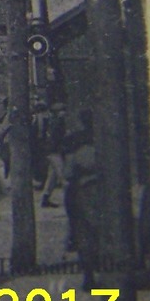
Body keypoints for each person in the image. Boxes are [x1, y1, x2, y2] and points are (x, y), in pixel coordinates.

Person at [62, 111, 101, 287]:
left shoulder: (76, 144)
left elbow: (68, 173)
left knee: (82, 231)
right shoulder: (108, 142)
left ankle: (89, 274)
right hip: (103, 191)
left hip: (81, 190)